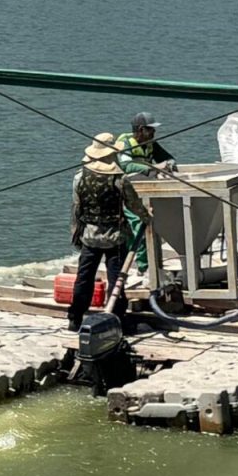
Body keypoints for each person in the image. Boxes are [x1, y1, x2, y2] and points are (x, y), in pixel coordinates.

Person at [69, 133, 149, 330]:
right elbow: (134, 205)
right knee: (117, 279)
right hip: (116, 236)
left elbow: (76, 210)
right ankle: (116, 318)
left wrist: (76, 235)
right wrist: (147, 216)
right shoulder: (120, 180)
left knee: (84, 277)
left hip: (90, 235)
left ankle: (75, 317)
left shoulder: (79, 178)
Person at [115, 112, 174, 275]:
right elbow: (127, 166)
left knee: (151, 226)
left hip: (145, 191)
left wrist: (169, 164)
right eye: (150, 130)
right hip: (127, 194)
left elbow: (167, 157)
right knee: (138, 227)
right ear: (140, 130)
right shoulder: (125, 143)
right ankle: (143, 268)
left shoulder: (150, 143)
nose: (154, 133)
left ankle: (150, 263)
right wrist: (154, 168)